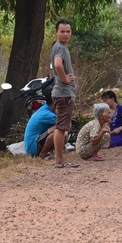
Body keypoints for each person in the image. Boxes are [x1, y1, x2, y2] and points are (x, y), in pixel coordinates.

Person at [50, 19, 76, 168]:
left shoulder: (61, 47)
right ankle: (59, 160)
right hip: (63, 93)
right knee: (61, 128)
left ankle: (60, 158)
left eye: (68, 31)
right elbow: (58, 64)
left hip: (64, 93)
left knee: (63, 126)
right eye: (62, 31)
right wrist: (65, 78)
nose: (66, 34)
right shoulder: (59, 48)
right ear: (56, 32)